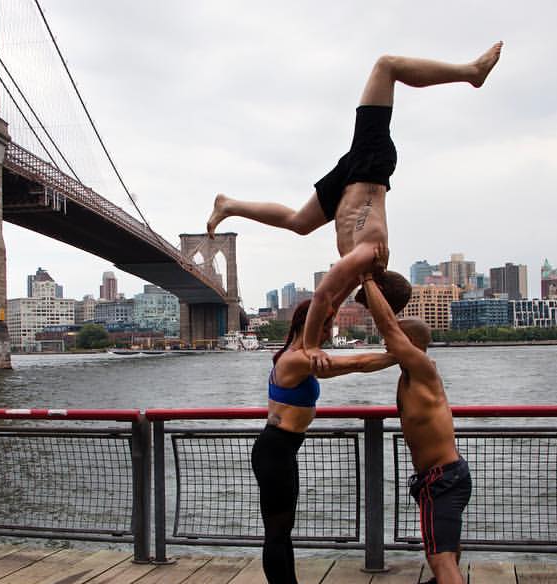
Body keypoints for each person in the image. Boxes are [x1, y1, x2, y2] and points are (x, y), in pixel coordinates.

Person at [207, 43, 503, 371]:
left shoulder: (360, 271)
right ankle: (471, 73)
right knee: (386, 65)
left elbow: (330, 302)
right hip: (369, 168)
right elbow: (322, 297)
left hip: (348, 184)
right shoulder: (367, 255)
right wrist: (310, 346)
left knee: (299, 222)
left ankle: (229, 204)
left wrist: (320, 338)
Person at [252, 299, 397, 584]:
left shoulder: (301, 354)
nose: (330, 332)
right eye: (326, 326)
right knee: (276, 532)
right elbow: (358, 363)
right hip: (275, 451)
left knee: (283, 527)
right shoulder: (296, 359)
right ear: (310, 325)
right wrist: (398, 355)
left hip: (282, 450)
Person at [359, 272, 475, 584]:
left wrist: (364, 278)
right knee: (446, 550)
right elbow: (381, 345)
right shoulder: (412, 373)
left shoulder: (422, 368)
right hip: (447, 475)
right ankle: (443, 582)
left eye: (394, 342)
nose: (386, 345)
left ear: (409, 345)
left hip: (441, 480)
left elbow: (388, 328)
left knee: (440, 555)